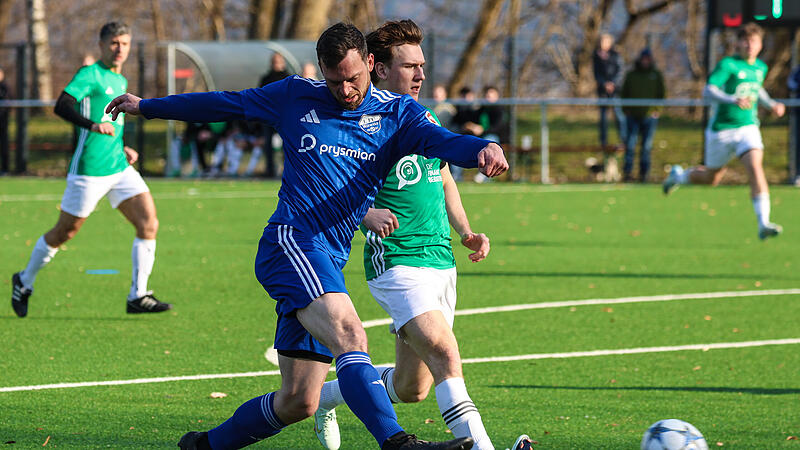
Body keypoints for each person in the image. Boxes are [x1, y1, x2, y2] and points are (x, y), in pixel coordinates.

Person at [106, 22, 508, 450]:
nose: (346, 90)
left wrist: (480, 149)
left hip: (327, 258)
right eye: (335, 81)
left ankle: (203, 446)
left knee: (299, 400)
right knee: (351, 335)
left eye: (353, 78)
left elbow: (442, 141)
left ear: (370, 64)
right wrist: (148, 106)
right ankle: (397, 443)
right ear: (322, 71)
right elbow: (225, 103)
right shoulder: (296, 95)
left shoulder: (398, 115)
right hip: (292, 242)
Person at [311, 19, 531, 450]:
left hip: (441, 263)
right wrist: (364, 213)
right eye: (410, 66)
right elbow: (325, 184)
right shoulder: (360, 122)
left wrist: (465, 230)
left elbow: (444, 175)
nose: (420, 74)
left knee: (414, 388)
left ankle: (325, 396)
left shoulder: (420, 117)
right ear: (379, 69)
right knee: (448, 356)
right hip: (396, 263)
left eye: (422, 65)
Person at [10, 22, 172, 318]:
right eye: (114, 43)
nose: (119, 48)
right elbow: (62, 105)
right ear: (102, 44)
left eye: (124, 42)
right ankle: (24, 280)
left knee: (149, 223)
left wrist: (122, 147)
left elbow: (114, 122)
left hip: (119, 168)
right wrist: (92, 126)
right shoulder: (90, 75)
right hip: (89, 170)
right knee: (65, 232)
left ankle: (138, 295)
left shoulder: (119, 80)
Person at [663, 23, 785, 240]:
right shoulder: (727, 65)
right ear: (738, 43)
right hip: (721, 131)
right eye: (745, 41)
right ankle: (679, 177)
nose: (750, 45)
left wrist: (771, 104)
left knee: (756, 167)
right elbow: (708, 90)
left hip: (747, 128)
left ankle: (763, 222)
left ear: (760, 45)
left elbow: (758, 89)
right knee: (711, 178)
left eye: (754, 41)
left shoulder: (760, 68)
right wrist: (731, 99)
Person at [620, 48, 666, 182]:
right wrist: (626, 109)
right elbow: (624, 93)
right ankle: (627, 173)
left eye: (648, 59)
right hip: (632, 116)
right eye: (643, 59)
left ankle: (644, 174)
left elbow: (662, 94)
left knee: (646, 146)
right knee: (630, 144)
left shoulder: (656, 75)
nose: (645, 62)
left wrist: (657, 109)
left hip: (649, 116)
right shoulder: (631, 75)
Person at [257, 52, 291, 177]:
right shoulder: (266, 78)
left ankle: (287, 170)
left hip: (285, 116)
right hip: (269, 116)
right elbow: (260, 95)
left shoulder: (288, 78)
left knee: (287, 144)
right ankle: (270, 169)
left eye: (278, 61)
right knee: (268, 144)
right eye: (274, 61)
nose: (276, 64)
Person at [592, 33, 625, 152]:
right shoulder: (596, 56)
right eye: (601, 41)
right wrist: (604, 84)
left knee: (619, 116)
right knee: (603, 118)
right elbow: (596, 73)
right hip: (602, 91)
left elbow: (621, 71)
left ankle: (623, 140)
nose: (602, 44)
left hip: (615, 90)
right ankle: (603, 142)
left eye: (605, 41)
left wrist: (613, 83)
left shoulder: (616, 55)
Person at [0, 67, 10, 174]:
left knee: (4, 146)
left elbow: (8, 102)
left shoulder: (5, 87)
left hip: (3, 123)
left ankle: (5, 169)